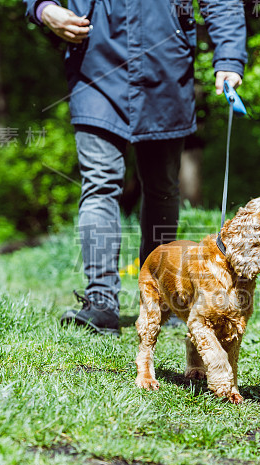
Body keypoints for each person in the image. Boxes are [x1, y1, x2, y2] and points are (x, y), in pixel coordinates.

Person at [24, 0, 247, 335]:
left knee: (161, 188)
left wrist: (229, 57)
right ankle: (101, 303)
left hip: (166, 71)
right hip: (94, 65)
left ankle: (159, 299)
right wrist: (44, 9)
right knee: (99, 185)